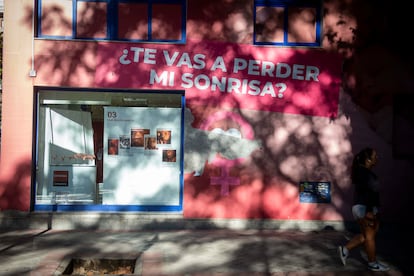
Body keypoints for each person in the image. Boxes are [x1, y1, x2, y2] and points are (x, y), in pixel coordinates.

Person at [338, 147, 389, 271]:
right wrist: (369, 211)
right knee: (370, 237)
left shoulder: (363, 172)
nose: (377, 158)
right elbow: (368, 193)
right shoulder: (365, 173)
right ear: (368, 159)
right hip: (366, 208)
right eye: (375, 156)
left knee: (366, 236)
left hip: (363, 207)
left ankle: (345, 250)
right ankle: (373, 264)